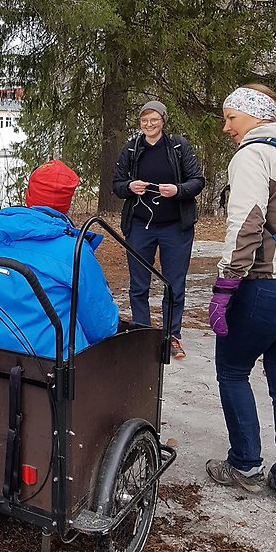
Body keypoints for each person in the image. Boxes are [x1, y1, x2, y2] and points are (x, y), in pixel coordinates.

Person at [206, 83, 276, 510]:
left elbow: (246, 224)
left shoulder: (255, 153)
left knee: (233, 370)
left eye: (231, 118)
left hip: (264, 283)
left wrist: (225, 287)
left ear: (255, 115)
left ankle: (244, 465)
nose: (226, 128)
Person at [0, 159, 119, 357]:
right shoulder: (75, 252)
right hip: (53, 366)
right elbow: (101, 326)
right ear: (67, 202)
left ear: (28, 195)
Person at [112, 100, 205, 359]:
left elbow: (198, 180)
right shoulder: (131, 149)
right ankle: (143, 334)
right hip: (140, 226)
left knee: (174, 285)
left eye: (154, 120)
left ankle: (172, 337)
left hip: (176, 226)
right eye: (144, 120)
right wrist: (130, 186)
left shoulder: (178, 147)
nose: (149, 125)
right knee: (139, 285)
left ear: (163, 120)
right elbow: (117, 185)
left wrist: (177, 190)